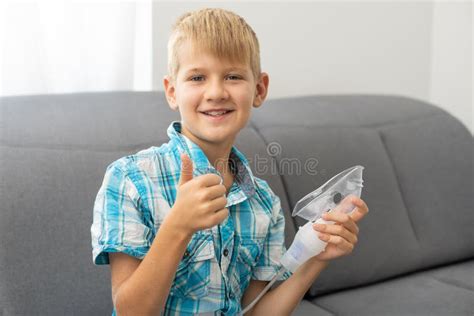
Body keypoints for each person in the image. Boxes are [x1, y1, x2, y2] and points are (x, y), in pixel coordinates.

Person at [91, 8, 369, 315]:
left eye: (233, 76)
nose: (215, 92)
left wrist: (316, 259)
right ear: (172, 91)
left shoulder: (264, 204)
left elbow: (254, 310)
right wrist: (177, 227)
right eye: (197, 77)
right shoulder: (130, 180)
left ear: (259, 89)